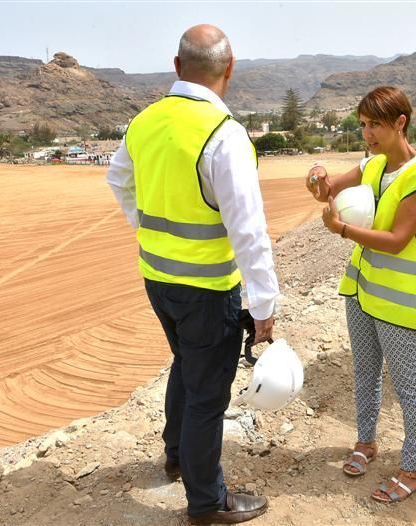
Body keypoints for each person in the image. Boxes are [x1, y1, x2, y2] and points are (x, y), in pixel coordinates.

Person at [106, 24, 278, 525]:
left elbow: (117, 178)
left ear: (177, 67)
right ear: (230, 68)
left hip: (157, 277)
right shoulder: (224, 135)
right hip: (205, 288)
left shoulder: (145, 121)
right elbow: (249, 231)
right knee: (208, 394)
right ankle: (207, 501)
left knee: (185, 364)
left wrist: (147, 226)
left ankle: (178, 455)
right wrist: (264, 307)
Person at [306, 86, 416, 503]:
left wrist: (341, 230)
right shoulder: (374, 166)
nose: (368, 133)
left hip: (399, 300)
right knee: (364, 371)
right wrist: (319, 177)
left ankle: (412, 469)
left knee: (408, 384)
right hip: (362, 289)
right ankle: (366, 442)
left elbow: (396, 240)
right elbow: (328, 191)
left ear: (401, 122)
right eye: (363, 124)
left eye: (376, 123)